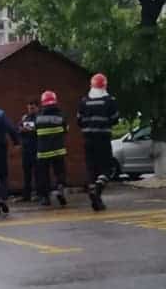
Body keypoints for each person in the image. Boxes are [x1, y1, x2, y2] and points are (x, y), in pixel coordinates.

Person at [78, 73, 119, 211]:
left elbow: (79, 120)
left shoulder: (84, 101)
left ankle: (94, 193)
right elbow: (115, 119)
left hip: (88, 139)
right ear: (105, 85)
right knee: (107, 168)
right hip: (103, 139)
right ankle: (98, 189)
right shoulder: (109, 100)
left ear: (92, 85)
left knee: (91, 168)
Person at [35, 90, 68, 207]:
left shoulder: (38, 117)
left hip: (43, 152)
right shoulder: (61, 116)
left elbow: (34, 132)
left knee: (44, 175)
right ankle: (60, 188)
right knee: (60, 172)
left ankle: (45, 198)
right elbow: (66, 130)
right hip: (58, 150)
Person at [18, 98, 39, 201]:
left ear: (37, 108)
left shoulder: (40, 117)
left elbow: (37, 128)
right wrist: (26, 129)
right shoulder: (25, 117)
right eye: (29, 108)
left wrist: (27, 128)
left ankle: (40, 195)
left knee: (38, 173)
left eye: (33, 108)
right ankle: (26, 196)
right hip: (26, 149)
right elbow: (19, 128)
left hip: (37, 148)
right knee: (27, 174)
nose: (30, 110)